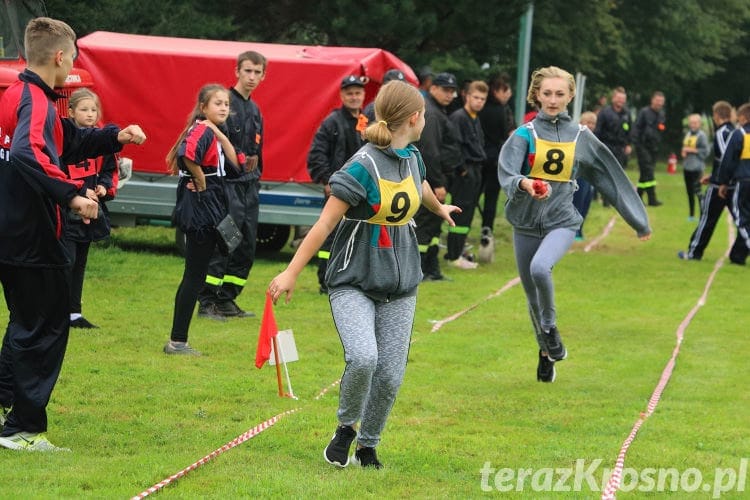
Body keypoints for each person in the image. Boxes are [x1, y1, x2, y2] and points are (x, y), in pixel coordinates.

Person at [268, 80, 459, 469]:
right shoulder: (361, 165)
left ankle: (368, 445)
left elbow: (418, 184)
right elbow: (322, 226)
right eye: (424, 116)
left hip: (401, 280)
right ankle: (344, 430)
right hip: (353, 277)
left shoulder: (412, 156)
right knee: (363, 357)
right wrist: (290, 272)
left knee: (390, 373)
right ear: (414, 118)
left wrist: (439, 209)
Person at [0, 17, 146, 451]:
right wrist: (71, 196)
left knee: (27, 323)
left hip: (13, 229)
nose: (73, 65)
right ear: (61, 56)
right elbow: (30, 153)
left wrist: (114, 137)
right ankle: (22, 428)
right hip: (32, 233)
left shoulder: (19, 94)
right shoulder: (37, 99)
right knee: (44, 327)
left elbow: (62, 141)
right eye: (74, 57)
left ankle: (10, 404)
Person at [498, 66, 651, 384]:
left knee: (541, 269)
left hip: (562, 221)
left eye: (559, 94)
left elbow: (611, 177)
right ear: (536, 95)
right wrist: (524, 184)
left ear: (570, 96)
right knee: (532, 297)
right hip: (524, 223)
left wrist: (638, 221)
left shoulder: (582, 136)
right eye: (547, 93)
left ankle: (550, 329)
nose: (553, 100)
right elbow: (507, 172)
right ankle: (546, 352)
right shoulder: (524, 135)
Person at [164, 84, 242, 356]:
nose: (223, 108)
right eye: (217, 103)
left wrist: (219, 132)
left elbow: (237, 163)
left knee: (198, 273)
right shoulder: (200, 130)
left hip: (211, 205)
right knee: (194, 276)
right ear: (203, 107)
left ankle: (179, 339)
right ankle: (177, 342)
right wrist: (200, 180)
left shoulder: (212, 131)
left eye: (226, 104)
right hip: (199, 209)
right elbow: (187, 154)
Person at [197, 51, 266, 320]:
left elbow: (259, 148)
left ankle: (227, 299)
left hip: (250, 188)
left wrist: (257, 169)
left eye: (257, 72)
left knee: (247, 246)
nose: (251, 77)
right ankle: (206, 302)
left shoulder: (255, 108)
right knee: (225, 243)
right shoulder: (225, 102)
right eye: (247, 71)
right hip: (228, 187)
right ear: (237, 71)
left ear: (263, 75)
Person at [62, 88, 120, 329]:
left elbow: (109, 171)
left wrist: (104, 188)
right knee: (66, 261)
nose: (90, 114)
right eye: (84, 109)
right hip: (67, 211)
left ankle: (74, 313)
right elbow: (55, 171)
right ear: (71, 111)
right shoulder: (62, 137)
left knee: (80, 262)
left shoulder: (102, 139)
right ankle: (58, 312)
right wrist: (78, 190)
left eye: (93, 110)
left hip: (92, 211)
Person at [307, 74, 368, 293]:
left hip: (363, 191)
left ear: (363, 95)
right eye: (349, 93)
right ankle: (326, 280)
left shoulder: (367, 121)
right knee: (330, 235)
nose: (354, 97)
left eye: (358, 93)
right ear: (342, 95)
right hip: (338, 190)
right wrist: (326, 180)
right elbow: (316, 154)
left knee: (356, 235)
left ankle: (348, 278)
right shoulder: (332, 122)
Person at [679, 101, 747, 263]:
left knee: (707, 219)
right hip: (735, 184)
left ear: (716, 115)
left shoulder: (722, 132)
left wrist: (719, 178)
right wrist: (713, 174)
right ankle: (739, 256)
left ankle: (694, 252)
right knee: (743, 221)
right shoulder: (737, 131)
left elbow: (726, 157)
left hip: (721, 186)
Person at [414, 72, 463, 280]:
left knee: (434, 227)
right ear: (432, 88)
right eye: (445, 90)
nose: (450, 95)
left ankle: (432, 268)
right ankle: (420, 270)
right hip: (434, 180)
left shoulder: (439, 111)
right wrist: (437, 183)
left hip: (440, 177)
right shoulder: (432, 113)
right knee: (425, 227)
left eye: (452, 91)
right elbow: (430, 152)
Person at [446, 80, 488, 269]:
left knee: (468, 214)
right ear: (466, 96)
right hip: (465, 172)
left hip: (476, 170)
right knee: (460, 214)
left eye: (483, 99)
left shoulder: (475, 117)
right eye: (476, 97)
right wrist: (462, 170)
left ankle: (459, 249)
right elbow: (454, 147)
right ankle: (453, 256)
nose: (479, 102)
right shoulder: (459, 117)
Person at [477, 73, 515, 256]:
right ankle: (486, 231)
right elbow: (506, 134)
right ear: (497, 90)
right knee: (490, 199)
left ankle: (459, 239)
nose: (508, 94)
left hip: (478, 158)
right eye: (505, 90)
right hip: (494, 159)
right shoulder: (501, 111)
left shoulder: (480, 109)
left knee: (471, 198)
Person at [716, 102, 750, 261]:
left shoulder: (739, 134)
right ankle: (738, 255)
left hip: (743, 182)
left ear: (743, 117)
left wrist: (722, 182)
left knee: (741, 219)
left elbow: (728, 161)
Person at [633, 91, 666, 206]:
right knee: (649, 172)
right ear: (652, 100)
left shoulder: (661, 114)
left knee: (644, 174)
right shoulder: (644, 112)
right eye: (657, 101)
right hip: (643, 146)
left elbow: (661, 129)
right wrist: (637, 144)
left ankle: (637, 198)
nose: (659, 103)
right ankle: (652, 199)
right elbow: (636, 128)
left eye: (661, 101)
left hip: (654, 147)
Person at [572, 111, 597, 240]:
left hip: (590, 176)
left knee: (586, 202)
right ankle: (574, 231)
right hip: (578, 176)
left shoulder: (594, 140)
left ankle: (580, 230)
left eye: (593, 123)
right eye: (588, 122)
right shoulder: (576, 137)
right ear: (581, 123)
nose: (591, 125)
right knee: (578, 201)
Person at [680, 113, 710, 221]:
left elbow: (706, 151)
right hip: (687, 167)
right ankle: (691, 215)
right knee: (689, 192)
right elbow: (685, 147)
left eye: (695, 123)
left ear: (699, 124)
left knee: (698, 192)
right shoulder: (688, 134)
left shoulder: (702, 136)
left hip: (697, 168)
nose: (693, 125)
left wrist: (692, 150)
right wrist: (684, 151)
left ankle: (702, 215)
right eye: (691, 122)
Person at [594, 86, 632, 170]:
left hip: (621, 149)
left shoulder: (627, 114)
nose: (621, 101)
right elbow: (598, 131)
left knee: (619, 172)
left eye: (623, 99)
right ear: (613, 98)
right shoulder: (604, 112)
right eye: (619, 98)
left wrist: (628, 145)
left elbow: (629, 131)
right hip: (607, 147)